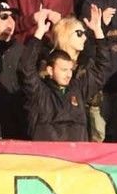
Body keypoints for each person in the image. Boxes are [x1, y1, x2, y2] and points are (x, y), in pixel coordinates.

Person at [18, 9, 110, 141]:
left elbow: (103, 69)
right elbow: (26, 69)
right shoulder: (41, 88)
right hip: (49, 155)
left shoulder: (78, 85)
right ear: (50, 70)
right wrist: (39, 33)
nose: (68, 74)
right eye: (79, 33)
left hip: (77, 153)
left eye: (70, 70)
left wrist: (98, 32)